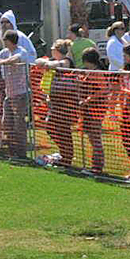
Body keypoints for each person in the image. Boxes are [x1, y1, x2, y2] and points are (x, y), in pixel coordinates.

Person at [0, 29, 31, 157]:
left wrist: (1, 62)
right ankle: (12, 150)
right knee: (7, 123)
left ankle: (21, 153)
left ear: (10, 41)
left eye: (5, 41)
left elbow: (15, 59)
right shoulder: (5, 52)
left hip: (21, 94)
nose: (4, 43)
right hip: (9, 95)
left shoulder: (21, 52)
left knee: (19, 125)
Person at [36, 39, 76, 167]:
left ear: (58, 50)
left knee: (63, 130)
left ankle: (67, 157)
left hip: (66, 103)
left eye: (53, 48)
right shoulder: (53, 61)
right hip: (55, 101)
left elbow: (57, 65)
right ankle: (64, 153)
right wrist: (47, 62)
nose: (51, 50)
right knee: (51, 127)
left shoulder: (67, 61)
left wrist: (48, 63)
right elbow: (39, 62)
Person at [79, 47, 109, 175]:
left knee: (95, 138)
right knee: (92, 137)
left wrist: (88, 99)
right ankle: (94, 165)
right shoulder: (90, 72)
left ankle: (97, 167)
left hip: (96, 110)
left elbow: (103, 90)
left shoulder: (97, 73)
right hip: (89, 110)